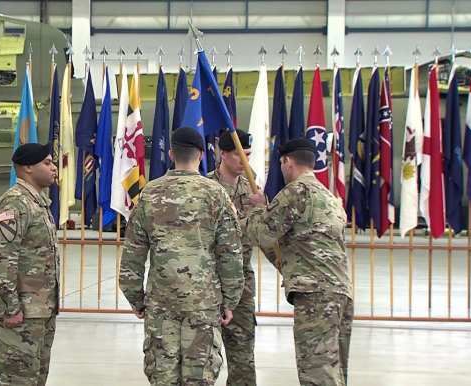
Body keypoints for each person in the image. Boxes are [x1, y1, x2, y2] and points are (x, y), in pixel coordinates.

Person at [119, 126, 245, 386]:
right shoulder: (216, 194)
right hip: (204, 304)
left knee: (163, 377)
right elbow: (230, 253)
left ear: (172, 154)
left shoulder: (149, 195)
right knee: (199, 377)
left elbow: (133, 255)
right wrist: (230, 301)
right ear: (201, 155)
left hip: (161, 305)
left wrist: (136, 299)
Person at [245, 138, 354, 386]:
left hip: (315, 295)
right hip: (340, 293)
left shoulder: (297, 192)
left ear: (288, 161)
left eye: (282, 164)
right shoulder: (330, 198)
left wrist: (259, 208)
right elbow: (296, 247)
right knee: (334, 370)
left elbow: (260, 233)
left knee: (316, 372)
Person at [0, 142, 60, 386]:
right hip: (21, 314)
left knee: (36, 379)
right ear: (28, 167)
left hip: (39, 311)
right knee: (17, 381)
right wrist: (11, 307)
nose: (54, 168)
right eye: (47, 163)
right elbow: (0, 257)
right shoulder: (15, 203)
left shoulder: (36, 202)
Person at [207, 128, 258, 385]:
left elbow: (263, 235)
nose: (245, 161)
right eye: (239, 155)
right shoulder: (206, 188)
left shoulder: (253, 186)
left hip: (242, 286)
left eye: (248, 154)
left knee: (243, 358)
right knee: (203, 357)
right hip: (209, 283)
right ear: (222, 153)